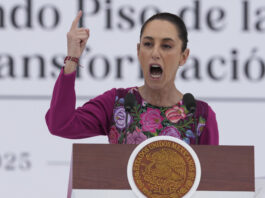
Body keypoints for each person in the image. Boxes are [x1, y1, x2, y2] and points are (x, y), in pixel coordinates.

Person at [45, 11, 219, 145]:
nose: (155, 53)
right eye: (148, 44)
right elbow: (60, 124)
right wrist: (72, 59)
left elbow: (213, 184)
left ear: (183, 56)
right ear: (138, 51)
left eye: (166, 46)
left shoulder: (200, 116)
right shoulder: (117, 102)